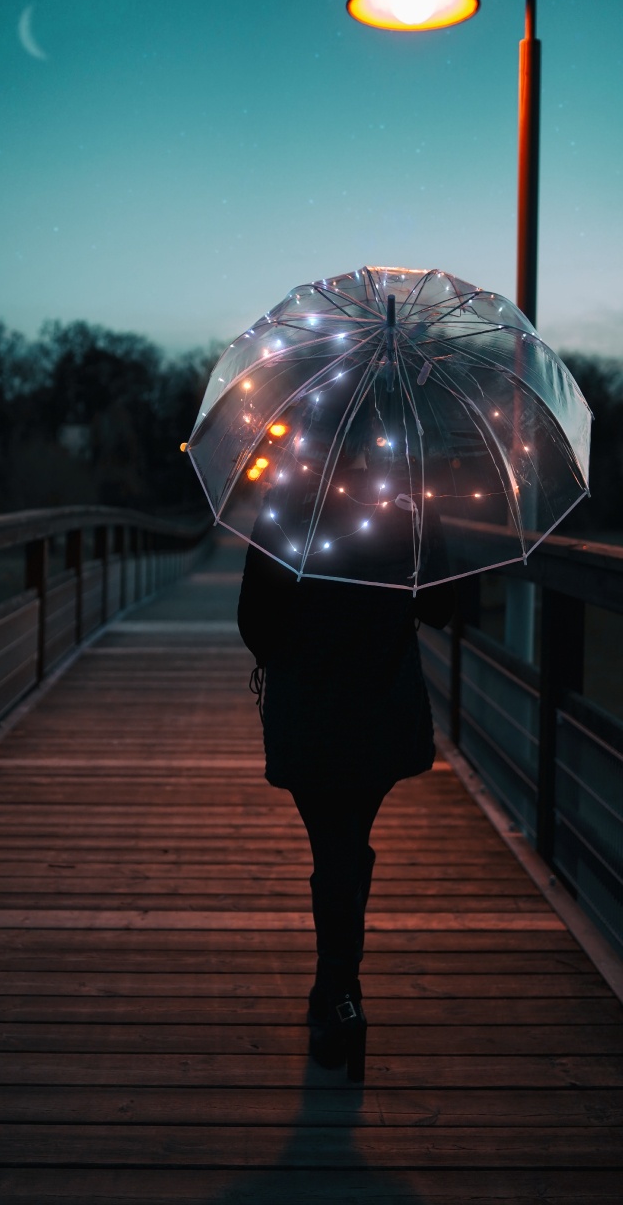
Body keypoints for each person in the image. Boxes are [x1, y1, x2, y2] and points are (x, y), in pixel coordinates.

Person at [237, 435, 456, 1083]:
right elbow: (442, 608)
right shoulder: (409, 504)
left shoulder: (287, 504)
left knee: (334, 847)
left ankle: (336, 994)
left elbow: (254, 622)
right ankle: (338, 990)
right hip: (381, 713)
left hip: (310, 714)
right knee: (347, 844)